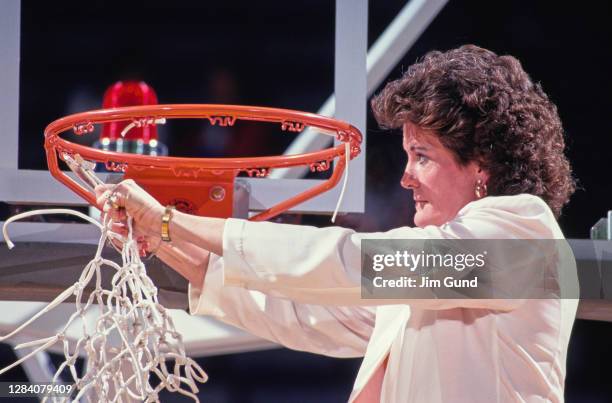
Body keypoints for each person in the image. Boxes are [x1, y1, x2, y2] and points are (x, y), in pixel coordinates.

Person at [96, 45, 579, 402]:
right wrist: (159, 237)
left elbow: (351, 263)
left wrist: (171, 219)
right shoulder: (434, 280)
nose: (407, 177)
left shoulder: (522, 234)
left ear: (483, 167)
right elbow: (304, 312)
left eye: (423, 157)